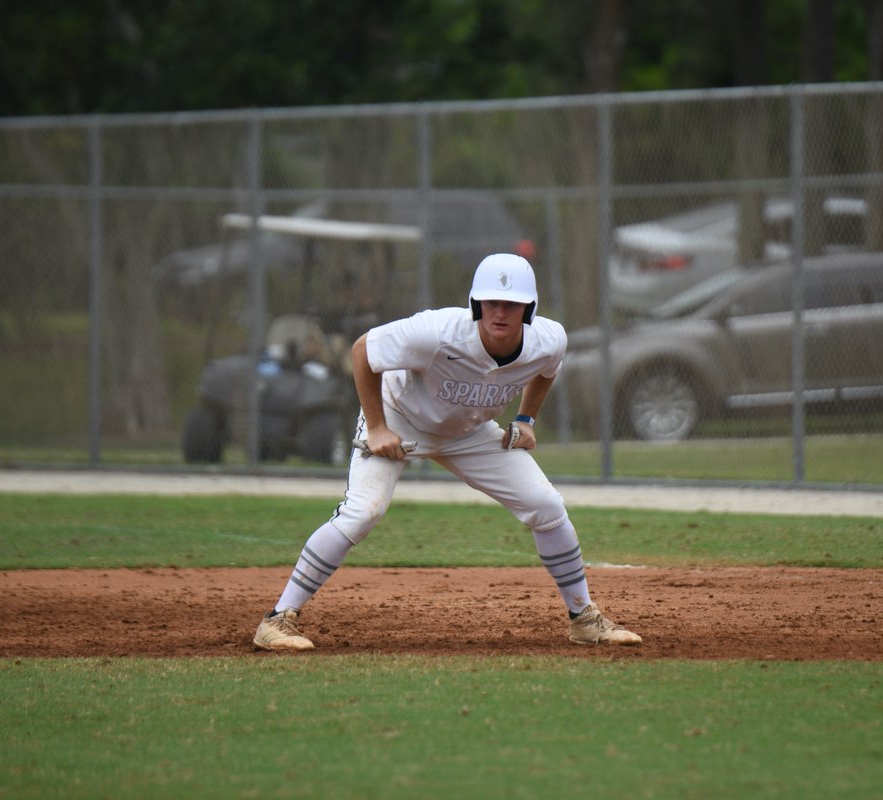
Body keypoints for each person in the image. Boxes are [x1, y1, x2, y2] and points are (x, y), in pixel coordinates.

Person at [254, 253, 641, 651]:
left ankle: (584, 620)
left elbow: (546, 369)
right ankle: (278, 620)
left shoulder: (548, 339)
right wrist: (378, 427)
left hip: (468, 432)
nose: (500, 311)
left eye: (511, 304)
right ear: (476, 304)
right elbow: (362, 351)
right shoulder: (436, 333)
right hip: (400, 417)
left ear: (529, 309)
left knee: (546, 505)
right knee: (362, 513)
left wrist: (527, 418)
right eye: (491, 302)